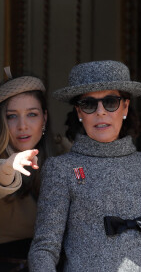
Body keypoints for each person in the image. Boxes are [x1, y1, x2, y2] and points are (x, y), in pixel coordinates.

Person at [28, 60, 141, 271]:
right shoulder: (61, 169)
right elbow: (44, 249)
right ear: (79, 112)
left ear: (125, 107)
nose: (100, 112)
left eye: (110, 102)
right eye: (89, 104)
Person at [0, 70, 52, 271]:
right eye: (12, 116)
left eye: (32, 114)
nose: (23, 126)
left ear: (44, 118)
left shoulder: (59, 163)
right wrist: (7, 167)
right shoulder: (5, 166)